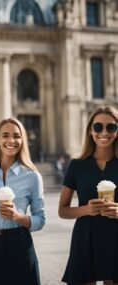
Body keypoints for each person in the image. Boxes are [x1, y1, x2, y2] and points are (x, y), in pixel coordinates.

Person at [0, 117, 45, 285]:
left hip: (20, 244)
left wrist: (18, 217)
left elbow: (40, 220)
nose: (11, 140)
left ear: (22, 140)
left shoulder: (33, 177)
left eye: (16, 136)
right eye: (5, 135)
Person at [58, 106, 118, 285]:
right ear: (90, 131)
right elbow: (62, 210)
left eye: (111, 127)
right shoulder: (77, 165)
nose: (104, 132)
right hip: (85, 237)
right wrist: (86, 209)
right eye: (98, 127)